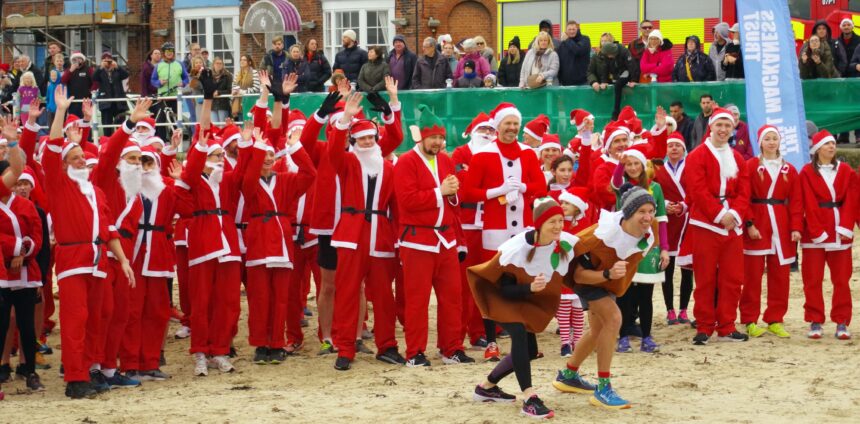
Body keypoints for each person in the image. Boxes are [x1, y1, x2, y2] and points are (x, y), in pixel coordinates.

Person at [41, 86, 136, 398]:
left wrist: (122, 260)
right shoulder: (58, 185)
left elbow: (108, 229)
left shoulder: (94, 191)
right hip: (72, 260)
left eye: (83, 156)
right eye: (75, 157)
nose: (82, 160)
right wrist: (58, 113)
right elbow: (54, 145)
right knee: (75, 319)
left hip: (98, 260)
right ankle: (75, 378)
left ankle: (91, 369)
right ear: (65, 163)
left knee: (98, 316)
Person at [553, 184, 661, 409]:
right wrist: (607, 273)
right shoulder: (598, 237)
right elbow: (579, 275)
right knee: (613, 319)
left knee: (598, 330)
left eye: (651, 211)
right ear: (629, 212)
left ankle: (568, 374)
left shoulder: (651, 228)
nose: (648, 216)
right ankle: (603, 387)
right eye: (642, 211)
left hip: (609, 282)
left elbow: (644, 247)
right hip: (587, 278)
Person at [469, 198, 576, 418]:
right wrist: (530, 287)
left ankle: (486, 387)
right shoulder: (517, 247)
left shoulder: (563, 243)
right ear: (539, 224)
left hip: (525, 297)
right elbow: (504, 289)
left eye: (560, 221)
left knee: (529, 351)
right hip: (499, 295)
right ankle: (529, 397)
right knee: (517, 332)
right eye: (551, 222)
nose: (557, 226)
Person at [460, 102, 547, 361]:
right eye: (507, 124)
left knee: (524, 282)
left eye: (515, 124)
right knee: (492, 285)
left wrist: (523, 187)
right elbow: (468, 192)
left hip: (522, 229)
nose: (511, 128)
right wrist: (496, 191)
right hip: (494, 230)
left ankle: (528, 341)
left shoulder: (528, 153)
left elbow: (541, 186)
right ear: (498, 126)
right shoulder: (483, 155)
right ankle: (491, 343)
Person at [328, 90, 407, 371]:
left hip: (381, 235)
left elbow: (397, 205)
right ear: (354, 141)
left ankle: (387, 346)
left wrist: (391, 109)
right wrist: (346, 118)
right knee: (347, 292)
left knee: (384, 295)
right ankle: (345, 348)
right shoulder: (347, 163)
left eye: (371, 138)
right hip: (351, 234)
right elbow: (333, 150)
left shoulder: (389, 166)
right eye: (362, 138)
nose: (368, 142)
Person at [240, 75, 315, 364]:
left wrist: (296, 148)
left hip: (282, 241)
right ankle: (261, 343)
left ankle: (276, 342)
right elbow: (250, 166)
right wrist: (258, 147)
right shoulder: (248, 183)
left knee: (281, 297)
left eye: (272, 155)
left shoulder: (286, 181)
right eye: (264, 156)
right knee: (260, 298)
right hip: (260, 241)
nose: (269, 159)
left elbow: (310, 175)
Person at [394, 104, 474, 366]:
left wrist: (452, 194)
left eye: (441, 137)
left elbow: (452, 202)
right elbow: (406, 201)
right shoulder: (406, 162)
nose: (438, 142)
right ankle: (414, 352)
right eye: (433, 137)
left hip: (446, 239)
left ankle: (451, 348)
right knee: (417, 301)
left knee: (452, 297)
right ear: (422, 137)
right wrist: (441, 191)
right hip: (417, 240)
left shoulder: (445, 160)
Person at [176, 72, 243, 376]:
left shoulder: (226, 180)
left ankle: (219, 349)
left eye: (220, 155)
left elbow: (247, 172)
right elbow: (201, 139)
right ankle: (200, 351)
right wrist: (207, 101)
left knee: (226, 300)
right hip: (203, 244)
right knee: (201, 301)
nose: (218, 159)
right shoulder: (193, 181)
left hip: (227, 244)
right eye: (212, 155)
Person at [684, 107, 751, 345]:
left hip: (733, 225)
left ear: (733, 129)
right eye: (719, 125)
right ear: (711, 127)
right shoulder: (696, 156)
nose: (723, 130)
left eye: (728, 126)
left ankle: (727, 325)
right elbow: (697, 190)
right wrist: (719, 214)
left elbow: (745, 190)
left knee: (732, 278)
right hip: (706, 224)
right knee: (705, 278)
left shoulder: (738, 158)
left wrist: (733, 214)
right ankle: (704, 325)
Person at [738, 126, 802, 339]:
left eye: (775, 138)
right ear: (760, 142)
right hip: (758, 223)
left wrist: (795, 227)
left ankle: (775, 318)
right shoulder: (750, 166)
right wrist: (749, 224)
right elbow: (743, 197)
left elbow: (796, 201)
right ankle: (749, 319)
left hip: (781, 226)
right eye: (767, 139)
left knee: (780, 276)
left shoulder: (789, 170)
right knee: (752, 276)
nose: (772, 142)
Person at [610, 143, 670, 353]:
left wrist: (664, 249)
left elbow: (662, 219)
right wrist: (619, 163)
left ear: (643, 165)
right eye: (629, 164)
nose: (633, 167)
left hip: (649, 247)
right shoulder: (622, 188)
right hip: (625, 246)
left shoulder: (656, 188)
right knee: (624, 295)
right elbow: (615, 181)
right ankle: (623, 336)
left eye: (636, 163)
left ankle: (647, 336)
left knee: (646, 295)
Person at [0, 123, 45, 393]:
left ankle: (29, 371)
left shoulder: (27, 205)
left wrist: (24, 252)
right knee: (2, 324)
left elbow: (37, 237)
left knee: (27, 326)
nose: (11, 181)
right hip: (2, 273)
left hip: (26, 272)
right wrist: (15, 248)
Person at [799, 130, 856, 340]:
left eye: (833, 143)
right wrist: (816, 231)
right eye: (827, 144)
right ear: (817, 149)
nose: (832, 147)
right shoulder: (806, 172)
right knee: (812, 279)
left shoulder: (846, 170)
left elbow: (852, 200)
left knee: (841, 279)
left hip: (840, 230)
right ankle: (815, 320)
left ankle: (841, 321)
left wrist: (846, 226)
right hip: (813, 233)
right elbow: (806, 202)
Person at [452, 112, 496, 350]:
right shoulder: (460, 153)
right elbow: (463, 184)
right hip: (466, 224)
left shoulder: (496, 155)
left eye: (491, 130)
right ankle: (457, 335)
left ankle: (479, 332)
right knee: (462, 283)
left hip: (490, 224)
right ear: (473, 131)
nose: (487, 134)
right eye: (483, 130)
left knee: (483, 282)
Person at [653, 133, 693, 325]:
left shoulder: (691, 166)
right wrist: (665, 204)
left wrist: (685, 205)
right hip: (667, 220)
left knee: (687, 268)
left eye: (678, 145)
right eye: (671, 146)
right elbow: (652, 190)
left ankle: (684, 309)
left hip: (687, 219)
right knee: (666, 267)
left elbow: (696, 189)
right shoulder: (658, 169)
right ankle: (670, 310)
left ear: (684, 149)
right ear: (666, 149)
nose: (674, 148)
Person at [151, 42, 189, 139]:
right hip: (163, 97)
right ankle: (162, 142)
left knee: (176, 121)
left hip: (175, 97)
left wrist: (183, 83)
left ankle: (177, 143)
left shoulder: (179, 64)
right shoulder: (158, 66)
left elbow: (186, 78)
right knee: (161, 122)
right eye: (167, 51)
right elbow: (153, 80)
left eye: (171, 51)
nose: (169, 53)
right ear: (164, 53)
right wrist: (159, 82)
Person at [92, 52, 130, 136]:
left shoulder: (117, 70)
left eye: (109, 60)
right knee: (107, 127)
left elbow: (126, 75)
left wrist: (118, 67)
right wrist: (100, 67)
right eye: (105, 60)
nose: (107, 62)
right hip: (106, 103)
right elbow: (93, 77)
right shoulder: (100, 71)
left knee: (120, 127)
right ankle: (107, 143)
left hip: (119, 103)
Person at [557, 21, 591, 86]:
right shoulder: (562, 44)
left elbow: (578, 50)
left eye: (573, 29)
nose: (572, 31)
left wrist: (567, 40)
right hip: (565, 83)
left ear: (577, 29)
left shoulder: (585, 39)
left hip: (582, 82)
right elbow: (560, 62)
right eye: (569, 29)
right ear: (566, 31)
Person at [62, 52, 93, 119]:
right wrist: (70, 71)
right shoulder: (69, 70)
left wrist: (91, 91)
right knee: (74, 120)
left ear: (82, 60)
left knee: (86, 120)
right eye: (74, 59)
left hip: (86, 100)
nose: (77, 61)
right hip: (73, 101)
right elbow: (63, 81)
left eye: (79, 59)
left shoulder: (88, 69)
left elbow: (95, 81)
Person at [231, 55, 261, 120]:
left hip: (250, 102)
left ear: (249, 62)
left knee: (248, 121)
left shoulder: (254, 73)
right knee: (240, 122)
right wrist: (234, 91)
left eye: (244, 60)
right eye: (241, 60)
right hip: (238, 103)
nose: (242, 61)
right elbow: (234, 85)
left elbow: (256, 88)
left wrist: (243, 92)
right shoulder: (238, 74)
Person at [209, 57, 233, 123]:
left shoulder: (227, 75)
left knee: (223, 125)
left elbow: (229, 90)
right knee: (214, 125)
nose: (218, 65)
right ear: (213, 64)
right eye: (217, 63)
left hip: (223, 104)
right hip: (212, 104)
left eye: (220, 63)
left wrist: (219, 92)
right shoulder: (209, 75)